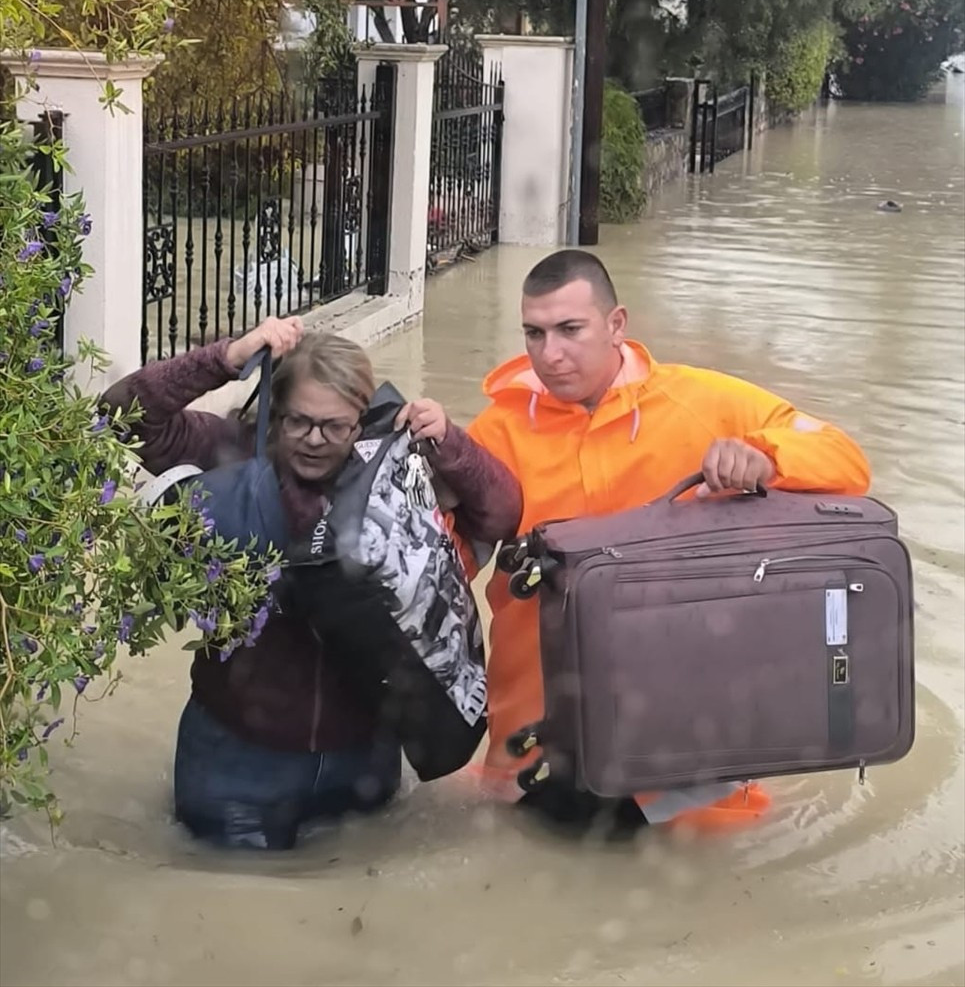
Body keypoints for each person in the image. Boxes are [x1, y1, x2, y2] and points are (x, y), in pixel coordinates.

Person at [408, 249, 872, 835]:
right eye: (534, 333)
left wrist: (766, 456)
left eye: (570, 330)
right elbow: (445, 563)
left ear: (616, 325)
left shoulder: (704, 402)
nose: (550, 354)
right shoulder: (496, 432)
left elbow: (847, 460)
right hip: (540, 746)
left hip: (684, 750)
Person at [101, 316, 522, 850]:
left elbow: (503, 515)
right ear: (275, 414)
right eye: (299, 422)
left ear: (362, 420)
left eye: (336, 427)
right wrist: (225, 359)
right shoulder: (229, 451)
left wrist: (450, 444)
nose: (316, 441)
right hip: (240, 764)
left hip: (364, 759)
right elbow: (120, 419)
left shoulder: (395, 473)